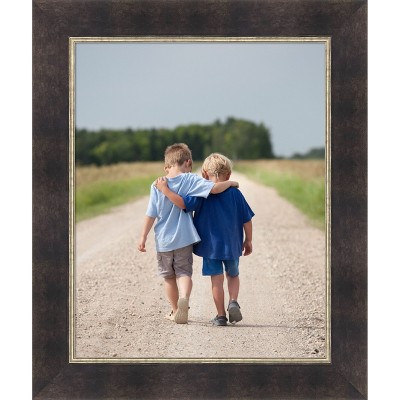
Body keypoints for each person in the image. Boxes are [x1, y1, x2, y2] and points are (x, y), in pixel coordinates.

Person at [137, 144, 239, 324]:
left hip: (164, 240)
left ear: (166, 166)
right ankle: (184, 297)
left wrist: (143, 236)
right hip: (185, 238)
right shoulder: (190, 179)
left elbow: (151, 214)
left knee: (169, 277)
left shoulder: (157, 184)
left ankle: (176, 310)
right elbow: (215, 189)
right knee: (184, 273)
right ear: (188, 163)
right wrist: (231, 183)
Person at [157, 153, 254, 326]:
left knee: (216, 280)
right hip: (232, 245)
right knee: (233, 275)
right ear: (229, 175)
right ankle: (233, 301)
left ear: (204, 174)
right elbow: (247, 219)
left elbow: (183, 203)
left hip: (211, 247)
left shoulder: (201, 193)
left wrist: (166, 190)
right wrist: (248, 240)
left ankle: (221, 316)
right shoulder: (235, 194)